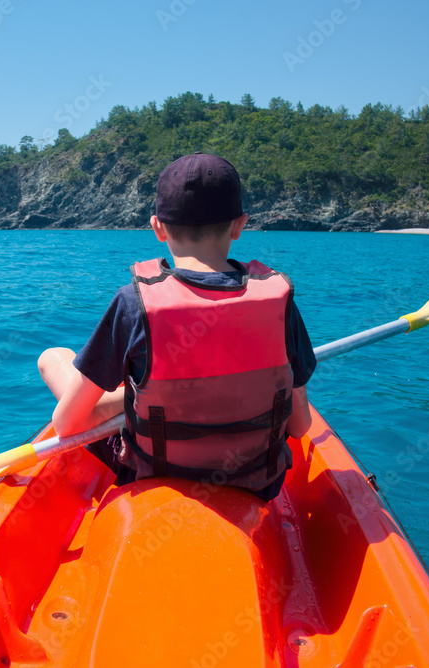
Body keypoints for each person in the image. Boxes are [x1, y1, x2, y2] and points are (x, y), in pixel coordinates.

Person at [37, 153, 316, 501]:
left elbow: (67, 426)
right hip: (259, 483)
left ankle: (130, 397)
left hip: (156, 475)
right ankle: (134, 396)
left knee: (52, 357)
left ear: (157, 227)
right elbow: (301, 426)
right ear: (239, 225)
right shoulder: (279, 300)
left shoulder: (132, 303)